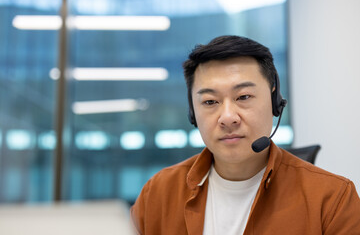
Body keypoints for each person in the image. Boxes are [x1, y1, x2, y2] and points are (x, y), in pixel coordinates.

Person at [130, 35, 360, 234]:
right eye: (210, 101)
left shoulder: (332, 198)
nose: (228, 117)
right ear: (193, 113)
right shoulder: (158, 193)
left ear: (274, 102)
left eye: (243, 97)